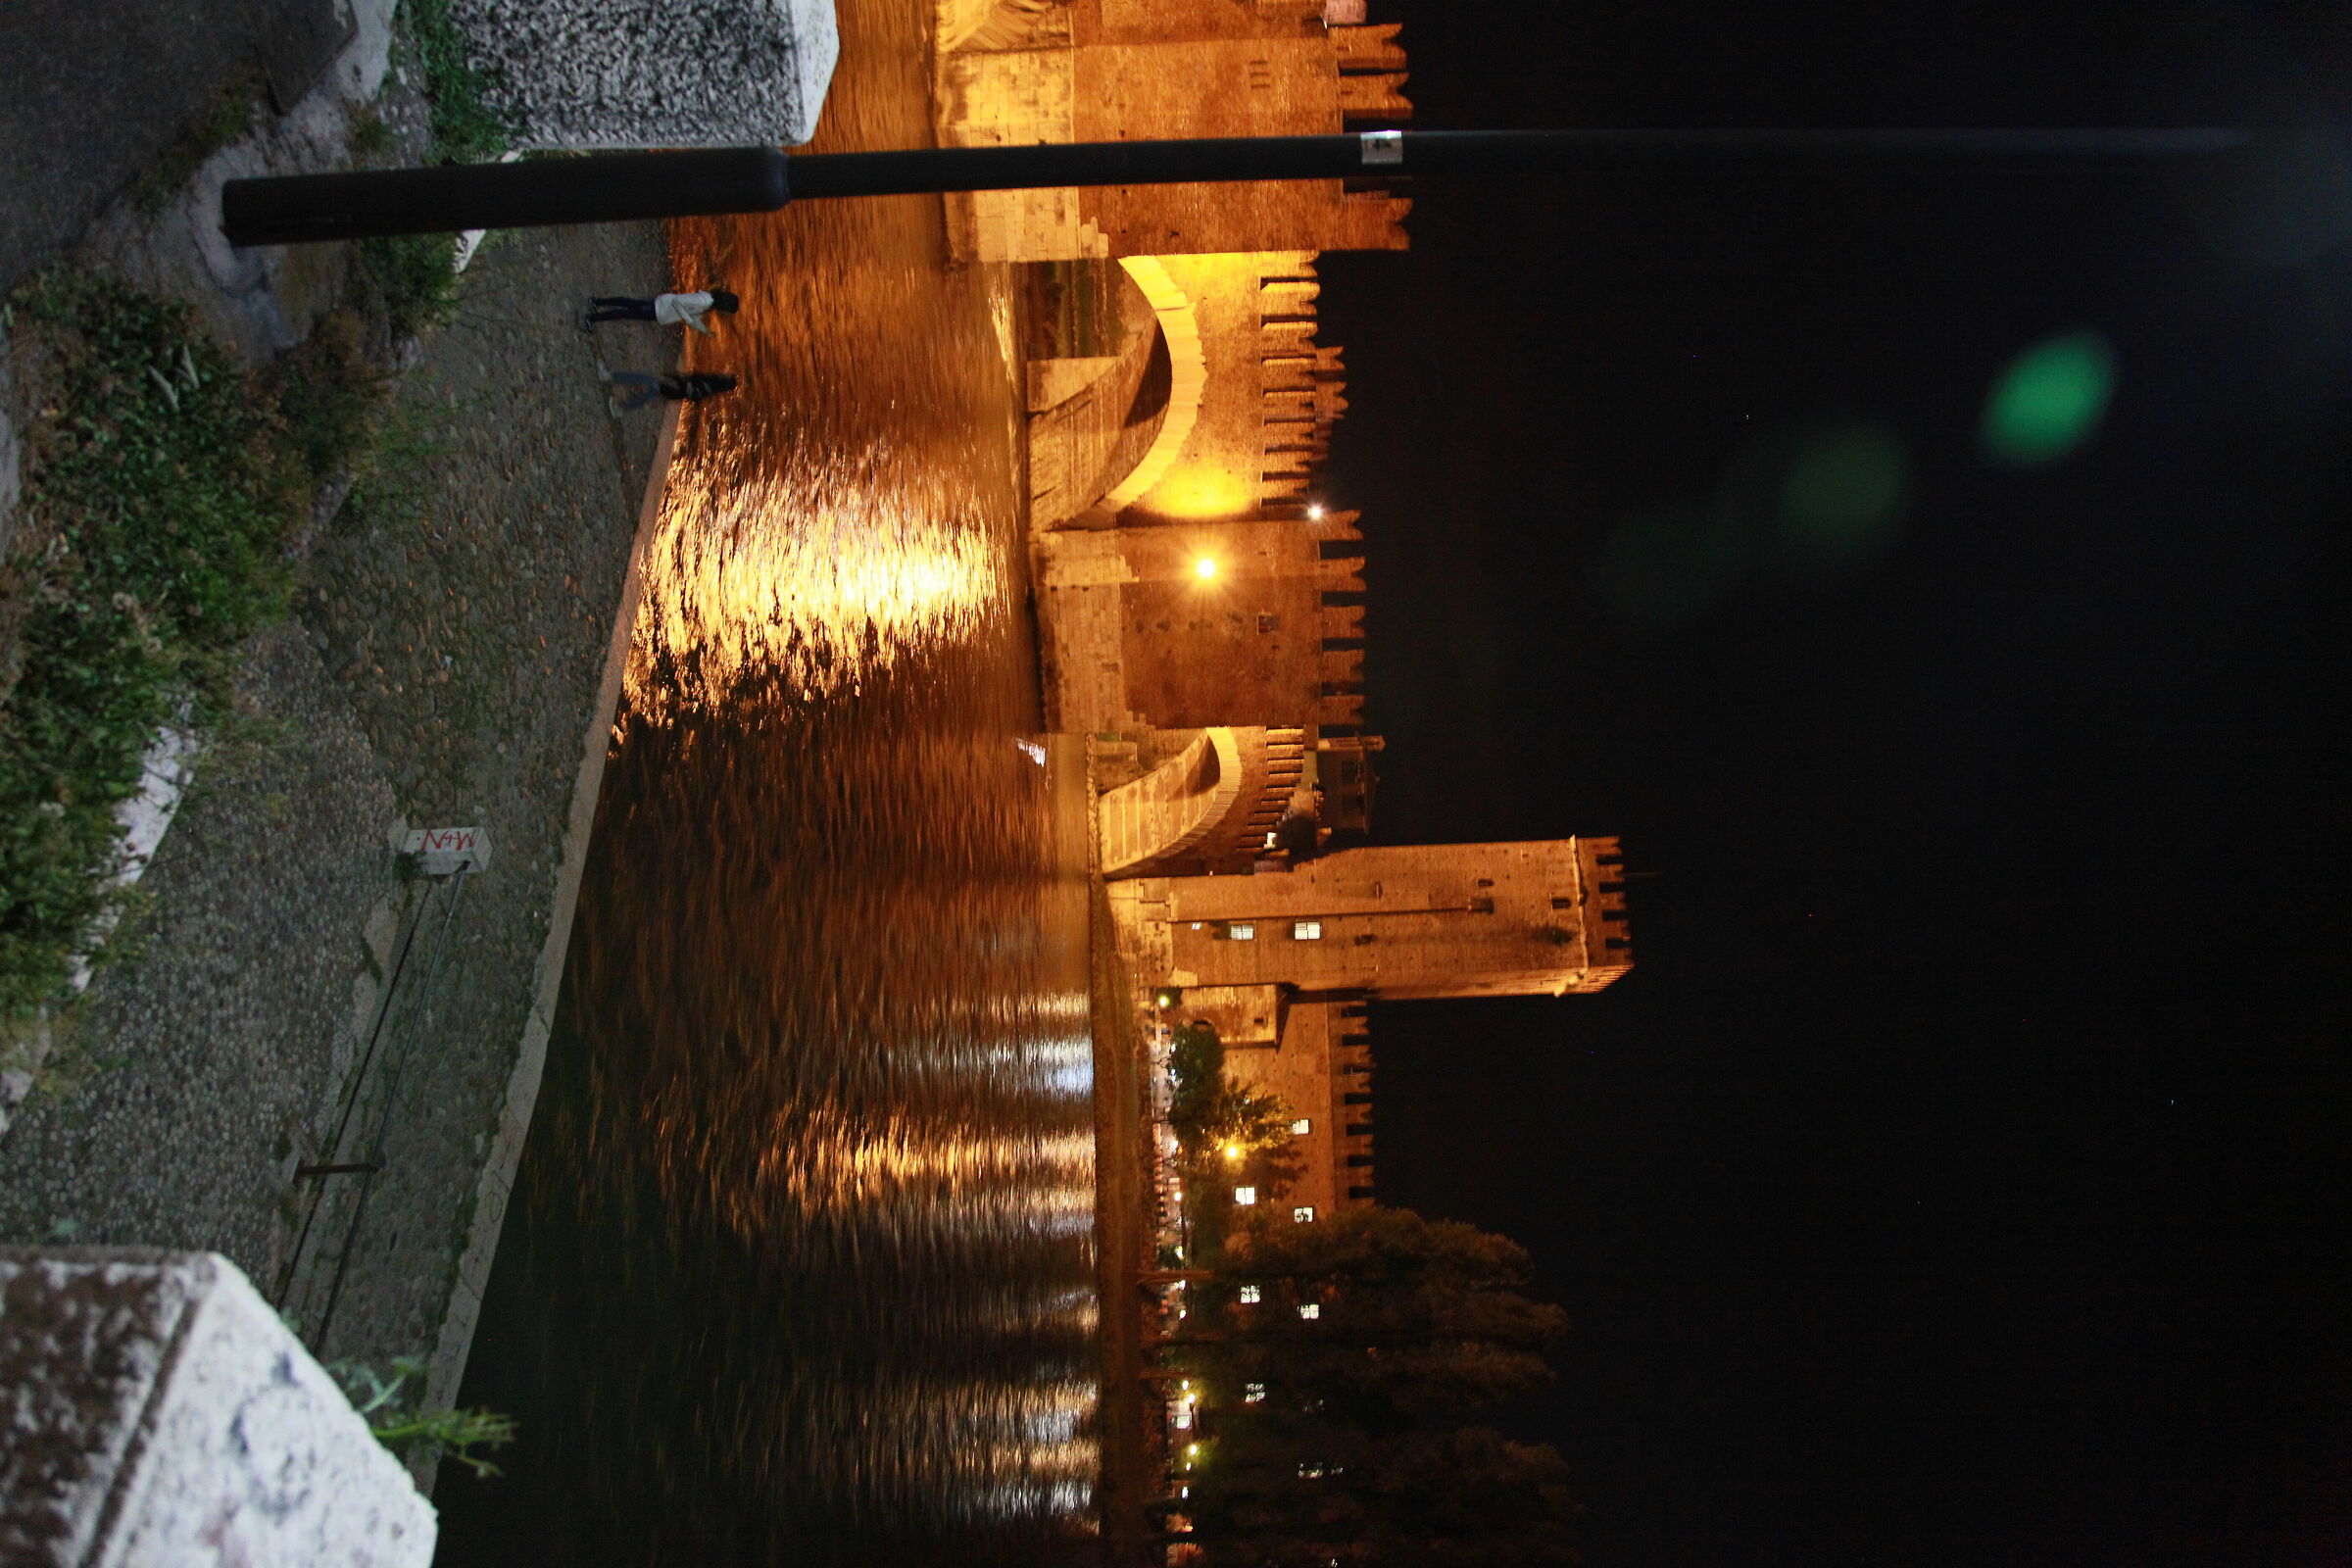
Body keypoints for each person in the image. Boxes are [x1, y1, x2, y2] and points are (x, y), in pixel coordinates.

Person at [585, 289, 740, 335]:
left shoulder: (708, 300)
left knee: (628, 303)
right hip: (660, 309)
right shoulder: (704, 302)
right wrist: (689, 321)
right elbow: (678, 303)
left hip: (661, 306)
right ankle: (592, 317)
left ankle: (598, 302)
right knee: (625, 312)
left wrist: (703, 329)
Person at [604, 370, 738, 414]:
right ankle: (621, 407)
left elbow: (693, 393)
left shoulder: (710, 387)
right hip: (673, 387)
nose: (723, 375)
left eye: (725, 377)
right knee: (647, 388)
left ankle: (612, 380)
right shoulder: (711, 384)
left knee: (645, 383)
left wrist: (684, 382)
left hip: (673, 389)